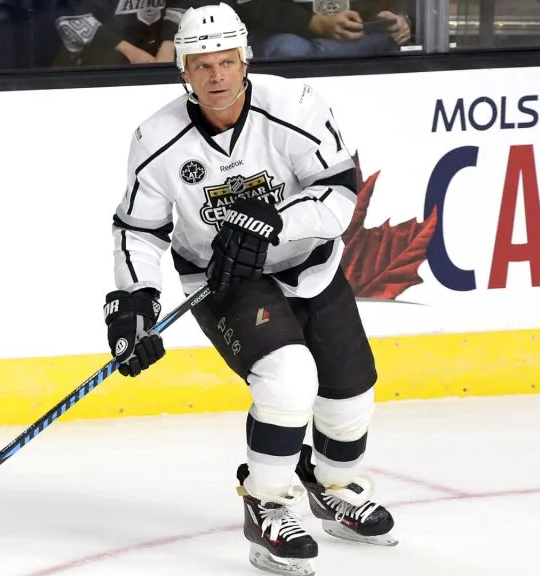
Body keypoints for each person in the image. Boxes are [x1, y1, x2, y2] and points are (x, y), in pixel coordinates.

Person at [100, 3, 397, 575]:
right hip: (224, 280)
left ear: (245, 61)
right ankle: (266, 504)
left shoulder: (296, 108)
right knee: (288, 380)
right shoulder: (157, 140)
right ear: (183, 69)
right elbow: (138, 229)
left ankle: (333, 486)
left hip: (309, 264)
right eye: (202, 65)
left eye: (227, 62)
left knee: (349, 396)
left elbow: (339, 191)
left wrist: (278, 223)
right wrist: (134, 302)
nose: (216, 77)